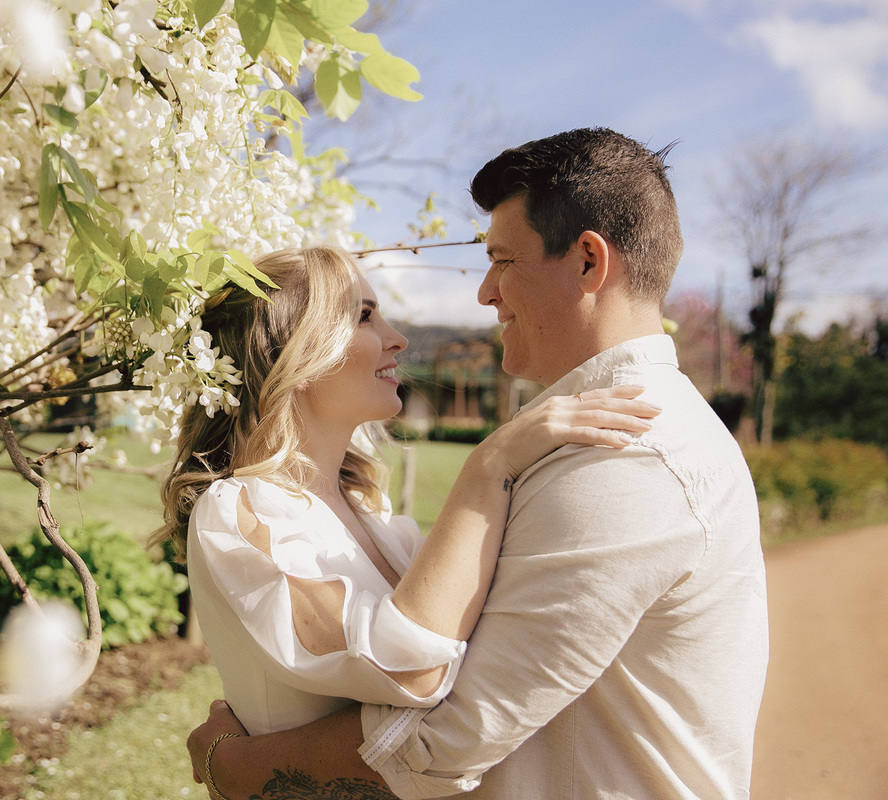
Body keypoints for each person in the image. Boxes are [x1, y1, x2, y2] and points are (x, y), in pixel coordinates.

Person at [186, 128, 770, 800]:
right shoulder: (598, 437)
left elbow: (444, 736)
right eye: (366, 315)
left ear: (587, 262)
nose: (485, 292)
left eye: (501, 260)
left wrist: (237, 766)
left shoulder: (626, 456)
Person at [152, 246, 660, 747]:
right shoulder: (239, 511)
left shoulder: (367, 511)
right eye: (365, 317)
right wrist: (487, 466)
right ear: (292, 351)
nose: (397, 340)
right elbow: (413, 671)